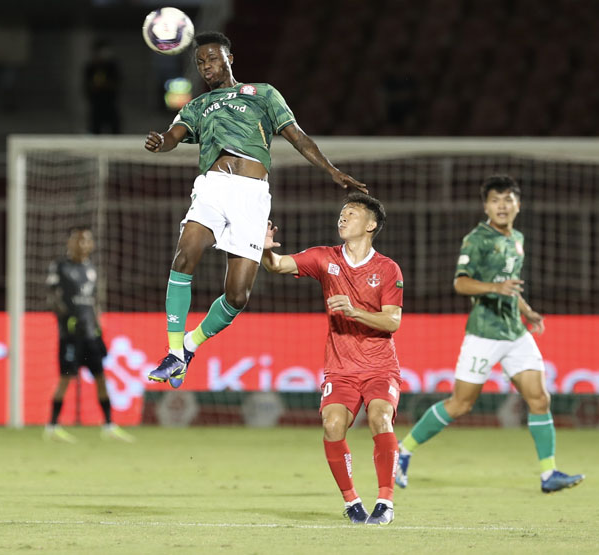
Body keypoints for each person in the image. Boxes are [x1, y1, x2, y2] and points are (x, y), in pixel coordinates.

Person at [144, 31, 367, 388]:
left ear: (229, 59)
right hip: (213, 186)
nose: (206, 66)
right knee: (185, 255)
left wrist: (331, 170)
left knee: (237, 295)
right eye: (200, 62)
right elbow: (174, 135)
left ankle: (188, 347)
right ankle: (172, 353)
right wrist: (161, 142)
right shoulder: (197, 106)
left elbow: (297, 135)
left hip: (251, 195)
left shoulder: (263, 94)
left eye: (212, 58)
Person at [396, 175, 584, 493]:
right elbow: (461, 283)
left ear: (518, 205)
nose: (502, 206)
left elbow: (510, 285)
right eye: (495, 200)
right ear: (486, 206)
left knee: (540, 399)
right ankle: (403, 450)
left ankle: (548, 474)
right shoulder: (476, 240)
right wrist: (495, 288)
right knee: (461, 404)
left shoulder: (517, 238)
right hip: (484, 333)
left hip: (515, 332)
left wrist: (527, 311)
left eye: (508, 200)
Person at [262, 193, 403, 525]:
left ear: (371, 225)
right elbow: (278, 265)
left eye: (352, 213)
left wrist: (354, 312)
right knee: (332, 425)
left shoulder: (387, 268)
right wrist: (265, 249)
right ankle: (352, 502)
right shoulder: (324, 258)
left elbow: (392, 321)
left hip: (380, 366)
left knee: (381, 418)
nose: (343, 217)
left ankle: (385, 503)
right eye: (342, 212)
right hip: (340, 369)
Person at [44, 226, 134, 443]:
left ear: (91, 245)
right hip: (70, 335)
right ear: (70, 243)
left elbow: (94, 302)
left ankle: (109, 425)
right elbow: (51, 298)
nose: (82, 244)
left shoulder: (91, 270)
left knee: (101, 377)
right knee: (66, 378)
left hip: (90, 335)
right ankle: (52, 426)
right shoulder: (60, 267)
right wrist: (65, 317)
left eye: (86, 240)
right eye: (78, 240)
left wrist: (97, 325)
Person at [84, 38, 121, 134]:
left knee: (115, 130)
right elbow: (87, 86)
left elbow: (117, 84)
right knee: (95, 130)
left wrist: (105, 85)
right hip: (96, 105)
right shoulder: (90, 67)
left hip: (110, 103)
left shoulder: (112, 67)